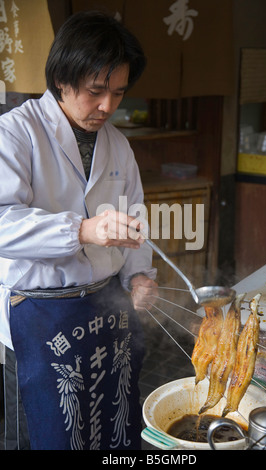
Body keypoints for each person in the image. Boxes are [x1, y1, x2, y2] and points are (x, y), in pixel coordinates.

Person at [0, 11, 158, 450]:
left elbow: (135, 216)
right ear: (62, 80)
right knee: (46, 431)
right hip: (39, 315)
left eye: (118, 93)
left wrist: (140, 276)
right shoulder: (14, 134)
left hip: (105, 310)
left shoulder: (117, 145)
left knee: (109, 425)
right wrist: (83, 230)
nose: (107, 106)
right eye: (96, 92)